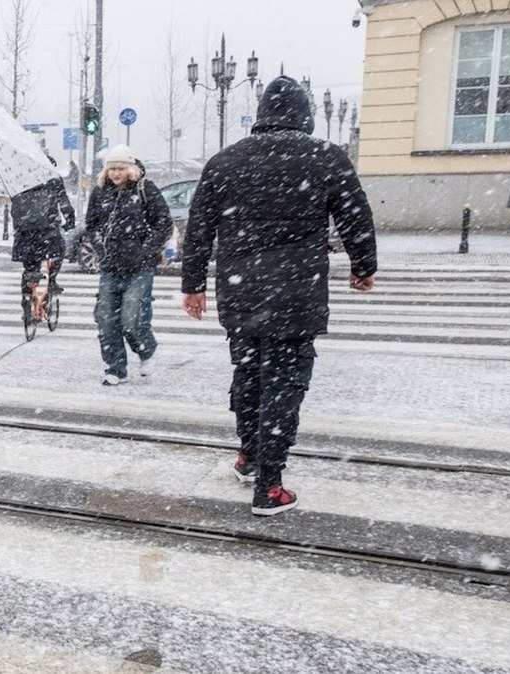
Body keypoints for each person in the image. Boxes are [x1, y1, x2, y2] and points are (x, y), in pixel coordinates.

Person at [181, 75, 378, 517]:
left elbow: (198, 230)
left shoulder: (225, 162)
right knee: (284, 383)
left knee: (248, 374)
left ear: (262, 113)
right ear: (305, 114)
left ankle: (250, 456)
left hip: (241, 290)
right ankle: (269, 485)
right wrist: (363, 267)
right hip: (296, 289)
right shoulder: (324, 157)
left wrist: (192, 284)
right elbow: (355, 216)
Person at [85, 144, 172, 385]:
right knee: (105, 318)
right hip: (110, 266)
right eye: (112, 168)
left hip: (139, 266)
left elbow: (163, 221)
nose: (116, 173)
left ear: (130, 168)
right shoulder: (100, 192)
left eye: (121, 168)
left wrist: (145, 249)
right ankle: (115, 368)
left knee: (131, 317)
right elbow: (91, 225)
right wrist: (101, 249)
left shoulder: (145, 189)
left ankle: (147, 350)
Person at [10, 175, 76, 308]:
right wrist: (70, 221)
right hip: (47, 232)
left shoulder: (18, 178)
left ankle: (27, 300)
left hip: (25, 234)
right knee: (58, 252)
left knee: (29, 269)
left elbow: (14, 209)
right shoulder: (53, 178)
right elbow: (64, 204)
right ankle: (52, 280)